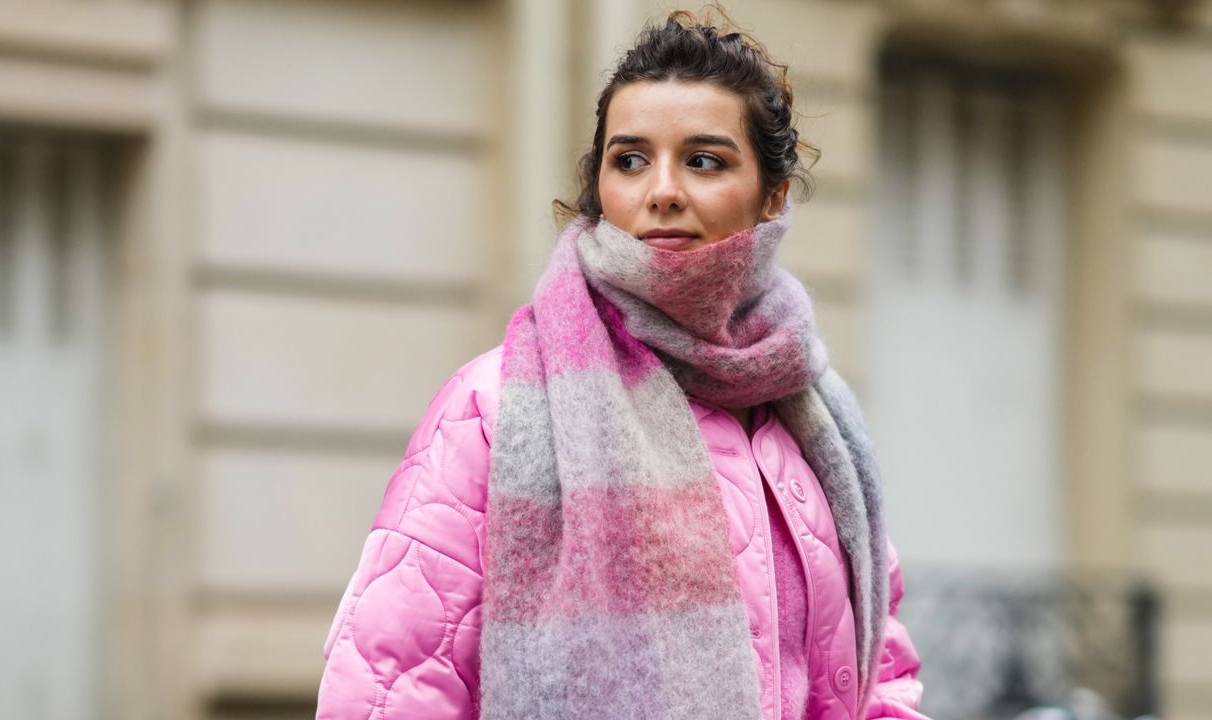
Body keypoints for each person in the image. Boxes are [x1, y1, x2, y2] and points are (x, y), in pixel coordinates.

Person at [316, 10, 927, 720]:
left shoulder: (812, 412)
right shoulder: (497, 404)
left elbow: (878, 675)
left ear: (773, 196)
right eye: (630, 159)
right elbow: (388, 690)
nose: (661, 190)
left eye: (704, 159)